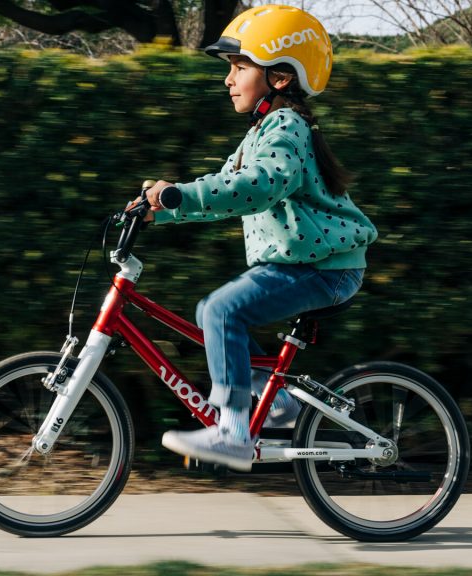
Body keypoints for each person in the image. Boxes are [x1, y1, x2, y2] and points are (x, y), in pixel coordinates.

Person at [139, 4, 378, 471]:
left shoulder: (287, 127)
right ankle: (281, 403)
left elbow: (258, 186)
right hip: (303, 264)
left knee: (223, 311)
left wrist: (176, 196)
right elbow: (222, 188)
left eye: (239, 67)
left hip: (324, 269)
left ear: (280, 77)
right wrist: (159, 211)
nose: (228, 79)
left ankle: (232, 431)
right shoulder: (264, 131)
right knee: (210, 312)